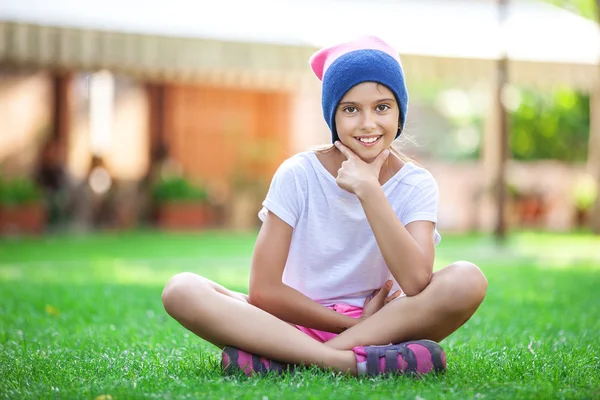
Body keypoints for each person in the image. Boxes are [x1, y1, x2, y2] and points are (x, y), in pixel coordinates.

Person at [161, 36, 488, 377]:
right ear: (332, 116)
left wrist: (370, 192)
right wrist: (346, 324)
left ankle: (283, 361)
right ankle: (350, 362)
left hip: (384, 325)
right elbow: (264, 290)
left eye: (382, 107)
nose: (367, 123)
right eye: (350, 109)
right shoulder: (299, 174)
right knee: (182, 289)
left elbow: (417, 282)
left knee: (467, 278)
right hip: (292, 321)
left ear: (400, 112)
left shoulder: (416, 184)